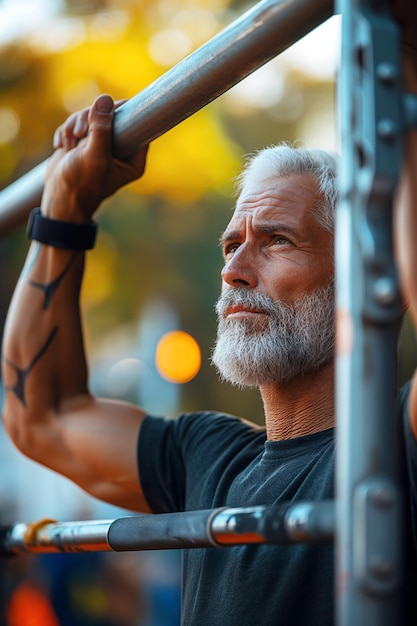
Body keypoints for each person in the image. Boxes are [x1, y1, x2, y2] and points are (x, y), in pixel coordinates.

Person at [2, 20, 417, 626]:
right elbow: (42, 417)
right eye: (230, 246)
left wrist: (400, 51)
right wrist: (63, 211)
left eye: (277, 241)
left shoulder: (397, 447)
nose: (235, 271)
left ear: (369, 273)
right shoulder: (211, 457)